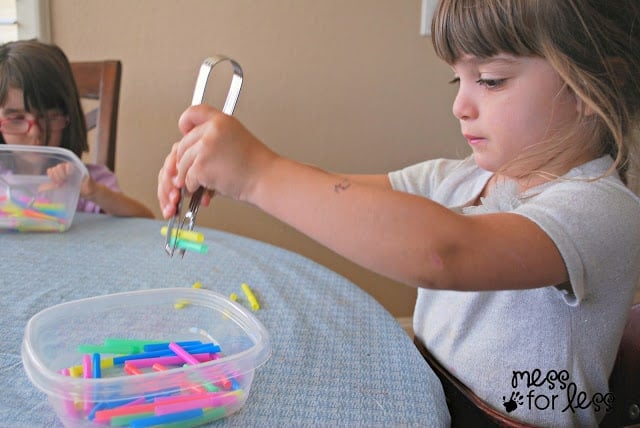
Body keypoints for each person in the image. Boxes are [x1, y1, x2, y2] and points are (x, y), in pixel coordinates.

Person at [157, 0, 640, 425]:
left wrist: (259, 174)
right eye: (459, 78)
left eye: (491, 81)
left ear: (591, 86)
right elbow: (341, 199)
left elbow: (443, 252)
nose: (459, 105)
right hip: (429, 395)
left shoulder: (601, 209)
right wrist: (228, 169)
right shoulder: (461, 177)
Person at [0, 40, 154, 218]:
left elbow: (145, 220)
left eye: (49, 117)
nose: (35, 133)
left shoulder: (84, 179)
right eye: (16, 118)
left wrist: (96, 193)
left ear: (68, 117)